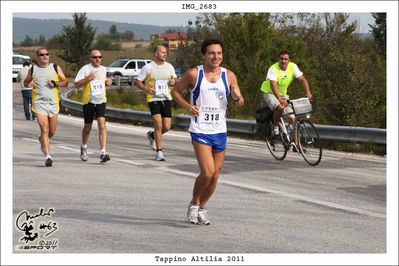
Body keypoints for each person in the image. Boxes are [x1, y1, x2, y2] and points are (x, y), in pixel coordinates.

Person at [172, 39, 244, 225]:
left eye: (219, 53)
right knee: (207, 172)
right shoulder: (194, 74)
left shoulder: (229, 76)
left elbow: (240, 99)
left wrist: (237, 97)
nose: (216, 57)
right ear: (204, 55)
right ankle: (194, 204)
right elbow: (176, 92)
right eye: (212, 53)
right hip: (200, 129)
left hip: (220, 130)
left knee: (216, 174)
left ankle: (202, 208)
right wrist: (188, 107)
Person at [24, 47, 68, 167]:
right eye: (42, 55)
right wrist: (29, 83)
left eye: (47, 54)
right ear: (37, 57)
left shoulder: (55, 67)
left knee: (52, 131)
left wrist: (56, 83)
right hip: (39, 104)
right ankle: (47, 156)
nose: (45, 57)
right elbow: (25, 82)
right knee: (44, 129)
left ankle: (42, 140)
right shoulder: (33, 69)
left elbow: (65, 82)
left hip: (53, 103)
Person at [260, 50, 312, 150]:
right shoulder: (273, 69)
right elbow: (273, 85)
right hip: (269, 93)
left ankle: (294, 143)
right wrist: (279, 99)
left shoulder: (293, 66)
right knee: (279, 107)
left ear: (289, 60)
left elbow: (302, 79)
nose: (283, 61)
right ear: (278, 59)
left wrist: (308, 92)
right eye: (281, 59)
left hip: (283, 95)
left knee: (293, 117)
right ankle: (275, 127)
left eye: (286, 59)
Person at [134, 45, 177, 161]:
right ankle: (159, 152)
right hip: (153, 99)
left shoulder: (170, 67)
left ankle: (152, 135)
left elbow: (174, 81)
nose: (165, 54)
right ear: (156, 53)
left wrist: (173, 82)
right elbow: (137, 81)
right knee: (158, 124)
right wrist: (145, 89)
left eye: (166, 52)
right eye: (162, 52)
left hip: (166, 99)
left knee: (167, 127)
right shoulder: (148, 68)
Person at [74, 50, 112, 163]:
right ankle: (84, 147)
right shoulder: (85, 69)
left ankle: (103, 152)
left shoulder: (103, 69)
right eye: (95, 57)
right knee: (87, 127)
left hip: (101, 101)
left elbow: (104, 81)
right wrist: (87, 79)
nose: (97, 59)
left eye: (100, 57)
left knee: (102, 125)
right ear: (90, 58)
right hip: (89, 102)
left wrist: (108, 82)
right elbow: (76, 84)